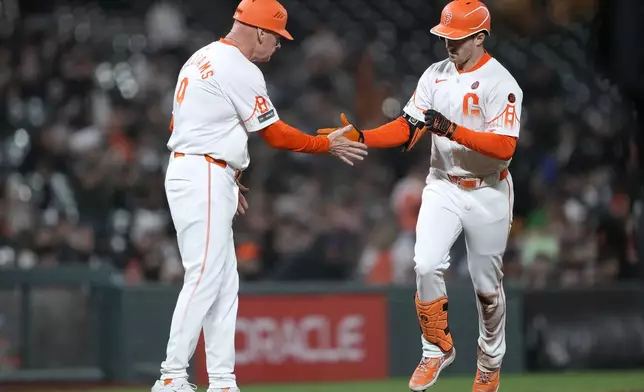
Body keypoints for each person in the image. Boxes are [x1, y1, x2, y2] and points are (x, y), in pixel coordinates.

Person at [152, 0, 368, 391]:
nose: (279, 46)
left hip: (203, 170)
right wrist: (326, 146)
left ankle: (221, 380)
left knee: (224, 281)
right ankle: (171, 377)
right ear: (261, 32)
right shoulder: (238, 65)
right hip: (201, 172)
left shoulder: (201, 57)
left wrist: (227, 172)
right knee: (203, 276)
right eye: (278, 38)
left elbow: (180, 121)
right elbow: (275, 133)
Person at [318, 1, 522, 391]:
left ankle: (489, 363)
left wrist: (451, 129)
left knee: (486, 287)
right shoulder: (435, 75)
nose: (449, 44)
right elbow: (406, 126)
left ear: (480, 37)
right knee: (426, 263)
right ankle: (436, 349)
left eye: (457, 38)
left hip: (489, 188)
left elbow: (504, 147)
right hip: (443, 182)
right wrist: (364, 136)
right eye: (445, 36)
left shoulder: (502, 82)